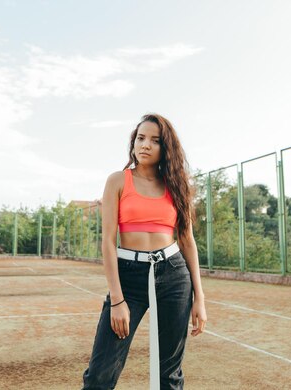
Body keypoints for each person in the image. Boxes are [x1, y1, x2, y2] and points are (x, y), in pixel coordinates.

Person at [82, 113, 207, 390]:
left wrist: (200, 297)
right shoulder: (118, 181)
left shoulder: (176, 185)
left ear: (166, 148)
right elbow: (108, 241)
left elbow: (187, 240)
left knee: (169, 375)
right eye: (140, 138)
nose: (145, 145)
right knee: (100, 375)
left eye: (155, 140)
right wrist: (117, 300)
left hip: (173, 275)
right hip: (129, 278)